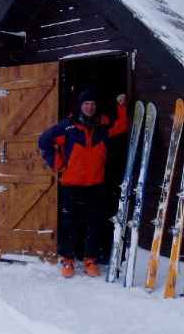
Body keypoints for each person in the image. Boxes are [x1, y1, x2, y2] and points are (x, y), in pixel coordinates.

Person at [38, 89, 129, 278]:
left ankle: (90, 259)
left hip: (95, 185)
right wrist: (59, 165)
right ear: (80, 105)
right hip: (71, 185)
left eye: (93, 104)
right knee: (69, 223)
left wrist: (121, 106)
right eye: (87, 103)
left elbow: (121, 125)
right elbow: (44, 141)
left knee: (95, 223)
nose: (90, 107)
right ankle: (68, 260)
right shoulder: (67, 127)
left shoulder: (102, 126)